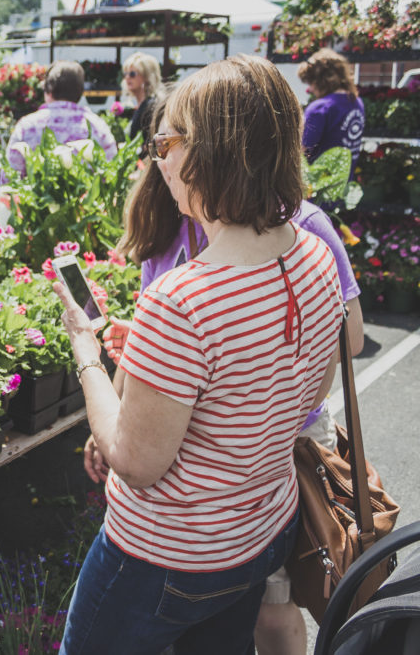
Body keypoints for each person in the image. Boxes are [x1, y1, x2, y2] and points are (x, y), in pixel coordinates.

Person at [53, 54, 345, 654]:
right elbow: (300, 395)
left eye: (169, 141)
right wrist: (165, 366)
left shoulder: (181, 300)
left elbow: (135, 464)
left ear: (211, 153)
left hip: (169, 556)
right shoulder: (314, 257)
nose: (160, 158)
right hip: (262, 532)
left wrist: (86, 350)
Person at [6, 60, 117, 174]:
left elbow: (10, 176)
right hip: (86, 192)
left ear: (49, 90)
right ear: (80, 92)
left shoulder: (27, 126)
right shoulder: (97, 126)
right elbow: (111, 171)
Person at [298, 48, 365, 166]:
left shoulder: (320, 108)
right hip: (345, 180)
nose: (311, 89)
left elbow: (302, 151)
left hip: (319, 181)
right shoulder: (356, 102)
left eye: (311, 82)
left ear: (321, 80)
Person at [122, 52, 162, 146]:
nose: (127, 77)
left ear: (147, 77)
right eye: (125, 74)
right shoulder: (142, 105)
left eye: (132, 74)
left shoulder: (151, 107)